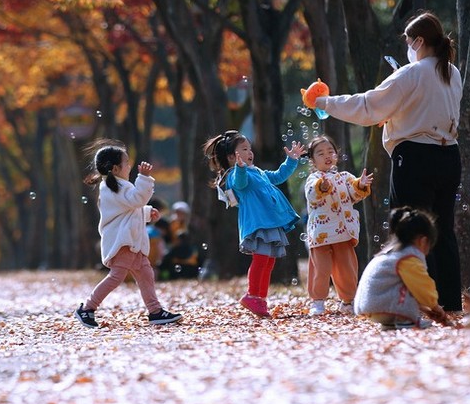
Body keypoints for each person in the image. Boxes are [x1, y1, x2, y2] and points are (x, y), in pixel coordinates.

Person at [307, 11, 463, 311]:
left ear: (418, 42)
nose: (407, 46)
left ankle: (416, 302)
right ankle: (450, 302)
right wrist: (394, 117)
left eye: (408, 41)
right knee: (443, 231)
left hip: (415, 158)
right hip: (449, 156)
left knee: (410, 230)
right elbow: (430, 111)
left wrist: (323, 102)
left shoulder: (412, 73)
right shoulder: (451, 72)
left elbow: (367, 106)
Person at [74, 139, 181, 328]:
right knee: (116, 277)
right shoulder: (111, 188)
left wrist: (147, 212)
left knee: (146, 274)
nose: (130, 166)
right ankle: (87, 308)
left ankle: (155, 311)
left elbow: (129, 209)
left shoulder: (119, 187)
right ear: (115, 168)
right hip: (123, 243)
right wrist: (145, 178)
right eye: (126, 163)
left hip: (132, 242)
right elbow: (136, 200)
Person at [202, 130, 304, 317]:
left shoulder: (257, 172)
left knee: (269, 262)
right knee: (261, 259)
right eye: (244, 149)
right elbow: (240, 184)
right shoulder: (235, 174)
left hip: (269, 221)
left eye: (250, 148)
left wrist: (291, 160)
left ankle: (260, 300)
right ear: (233, 156)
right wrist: (240, 168)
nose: (250, 152)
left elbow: (278, 176)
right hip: (258, 223)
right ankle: (252, 295)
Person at [303, 135, 373, 316]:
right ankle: (318, 301)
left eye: (330, 151)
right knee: (321, 269)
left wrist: (361, 184)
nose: (327, 155)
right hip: (321, 234)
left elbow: (354, 195)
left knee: (346, 268)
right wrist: (322, 186)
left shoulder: (345, 177)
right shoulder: (313, 179)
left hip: (343, 232)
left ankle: (348, 301)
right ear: (312, 160)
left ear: (336, 155)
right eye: (320, 153)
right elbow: (312, 195)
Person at [354, 207, 451, 329]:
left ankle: (390, 323)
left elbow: (392, 290)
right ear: (423, 241)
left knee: (407, 285)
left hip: (370, 307)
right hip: (385, 307)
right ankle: (406, 322)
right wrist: (435, 306)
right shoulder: (409, 258)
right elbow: (423, 287)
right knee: (414, 285)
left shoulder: (389, 254)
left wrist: (426, 310)